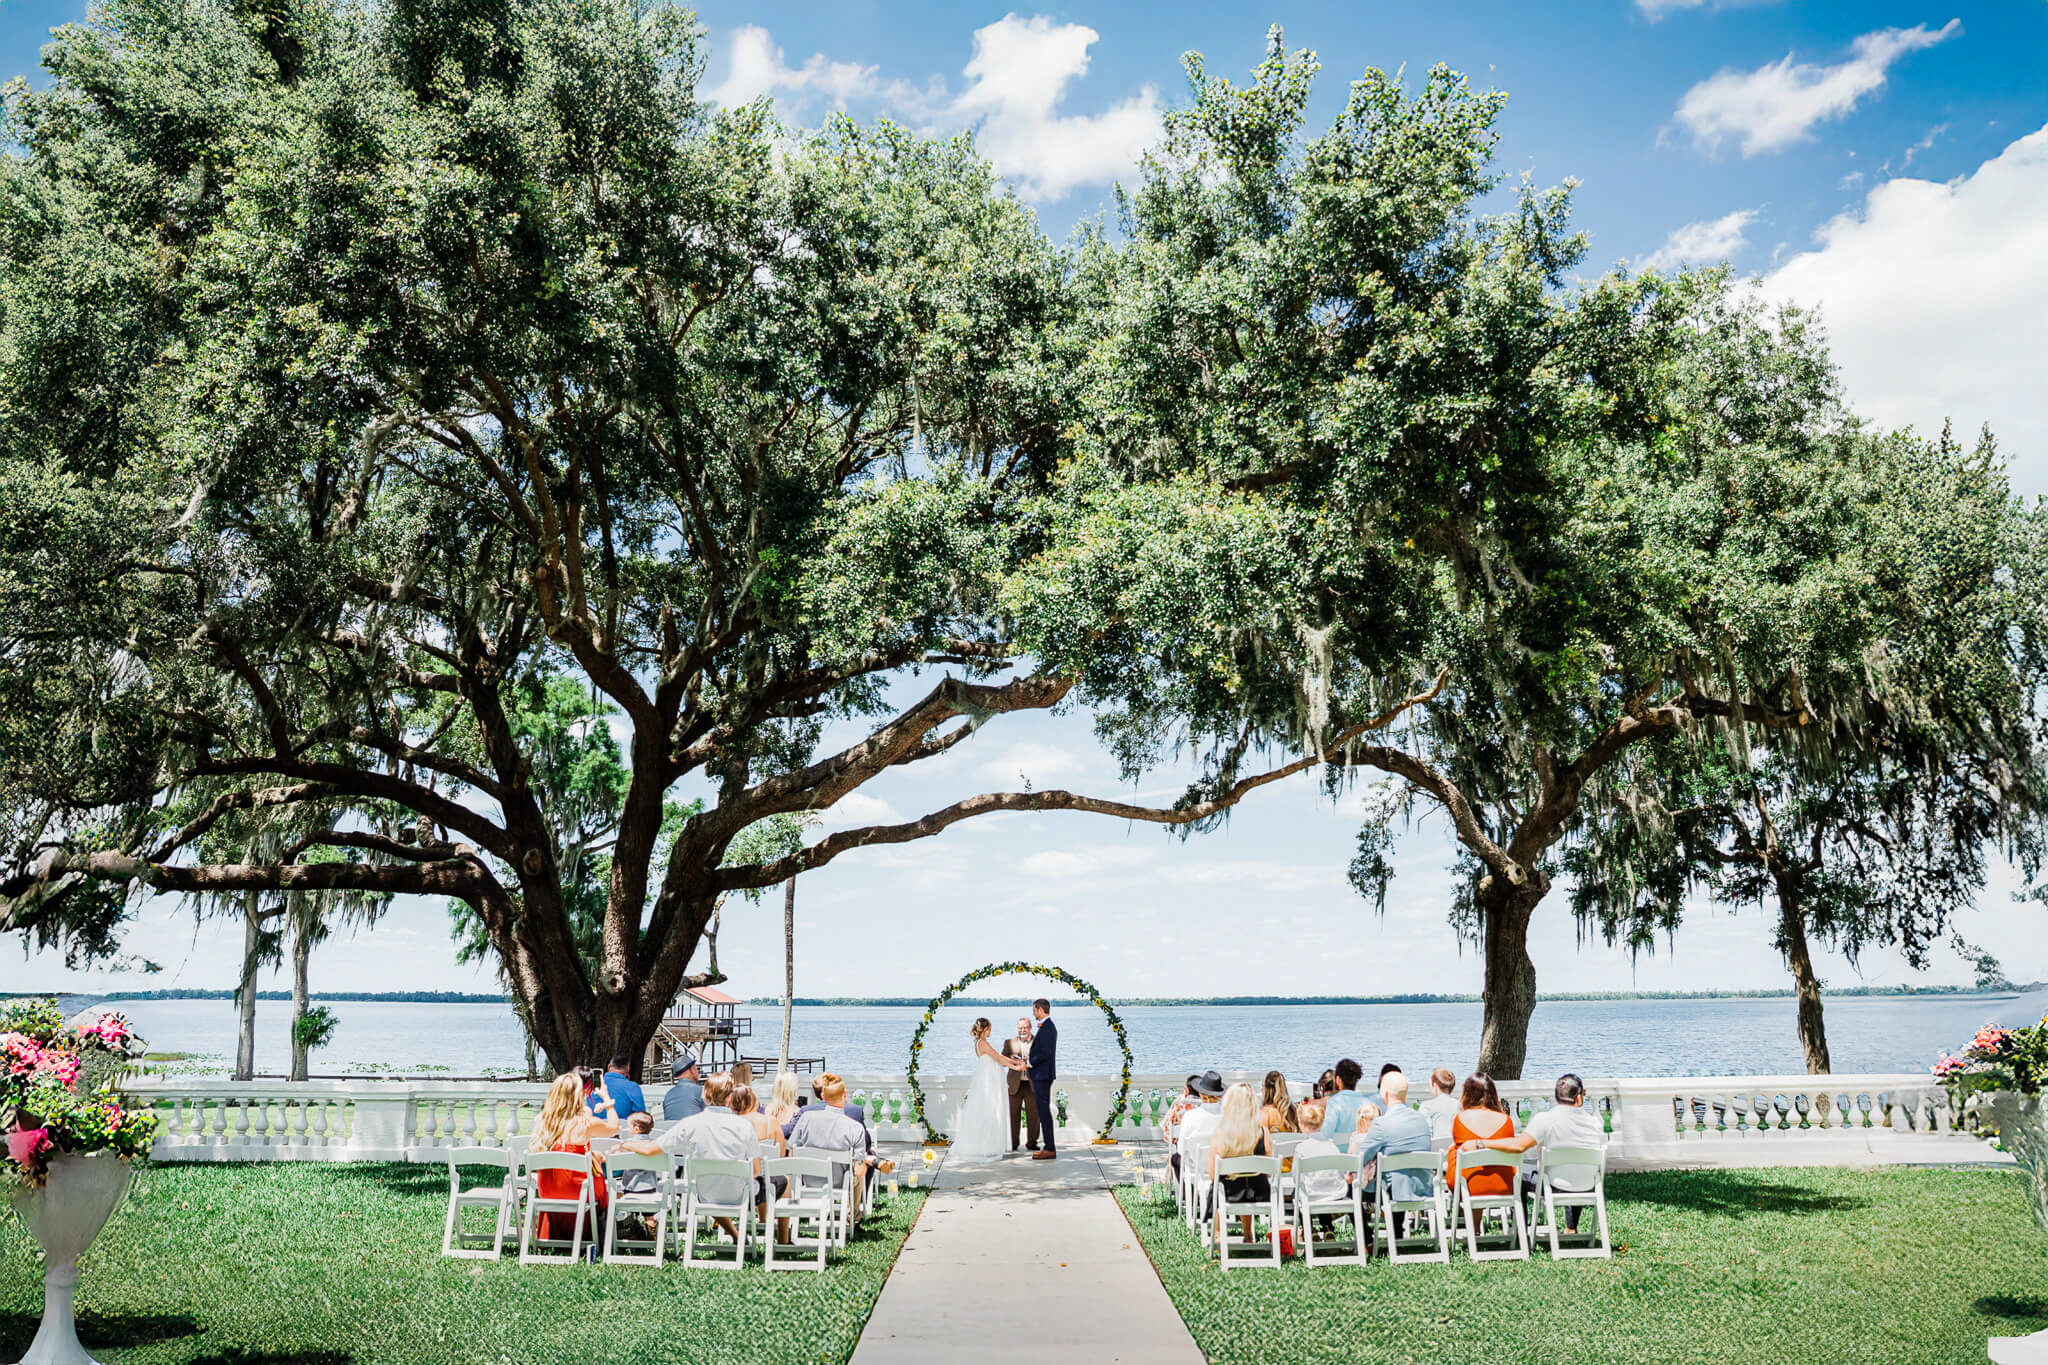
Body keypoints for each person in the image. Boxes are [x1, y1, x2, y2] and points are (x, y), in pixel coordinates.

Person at [1459, 1073, 1605, 1233]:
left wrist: (1481, 1143)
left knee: (1519, 1176)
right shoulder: (1595, 1123)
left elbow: (1519, 1146)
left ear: (1556, 1097)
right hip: (1587, 1184)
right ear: (1578, 1098)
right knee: (1575, 1168)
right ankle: (1571, 1227)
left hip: (1553, 1185)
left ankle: (1521, 1230)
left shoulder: (1546, 1119)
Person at [660, 1073, 756, 1242]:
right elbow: (755, 1170)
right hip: (737, 1194)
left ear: (704, 1095)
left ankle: (736, 1235)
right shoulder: (744, 1126)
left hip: (703, 1194)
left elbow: (655, 1147)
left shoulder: (691, 1123)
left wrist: (627, 1145)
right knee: (774, 1183)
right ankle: (762, 1236)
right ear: (731, 1096)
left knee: (714, 1185)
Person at [528, 1072, 617, 1244]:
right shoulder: (584, 1123)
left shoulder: (542, 1122)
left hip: (548, 1190)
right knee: (604, 1183)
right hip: (578, 1192)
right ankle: (600, 1234)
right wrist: (607, 1102)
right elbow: (614, 1128)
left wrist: (591, 1156)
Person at [1351, 1071, 1434, 1238]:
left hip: (1396, 1191)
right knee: (1399, 1175)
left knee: (1347, 1190)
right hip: (1424, 1187)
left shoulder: (1382, 1124)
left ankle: (1367, 1238)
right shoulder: (1421, 1121)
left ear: (1385, 1093)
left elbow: (1360, 1158)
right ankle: (1396, 1232)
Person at [788, 1077, 875, 1223]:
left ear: (823, 1096)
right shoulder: (854, 1128)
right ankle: (851, 1216)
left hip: (809, 1180)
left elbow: (792, 1152)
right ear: (845, 1094)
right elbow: (859, 1171)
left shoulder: (806, 1118)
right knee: (861, 1169)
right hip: (840, 1183)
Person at [1206, 1083, 1271, 1243]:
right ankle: (1248, 1234)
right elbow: (1269, 1171)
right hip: (1258, 1193)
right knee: (1248, 1181)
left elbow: (1212, 1173)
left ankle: (1218, 1233)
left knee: (1219, 1184)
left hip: (1228, 1195)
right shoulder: (1262, 1131)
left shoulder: (1220, 1133)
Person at [954, 1017, 1027, 1158]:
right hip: (988, 1080)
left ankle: (988, 1144)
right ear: (985, 1029)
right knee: (988, 1110)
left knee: (988, 1110)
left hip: (988, 1078)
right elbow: (998, 1058)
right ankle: (985, 1144)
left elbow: (998, 1056)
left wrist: (1015, 1061)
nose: (990, 1032)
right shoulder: (982, 1043)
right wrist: (1017, 1068)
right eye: (989, 1029)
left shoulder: (979, 1042)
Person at [732, 1083, 789, 1240]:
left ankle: (762, 1220)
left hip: (735, 1184)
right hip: (765, 1184)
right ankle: (783, 1237)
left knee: (761, 1178)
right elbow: (781, 1155)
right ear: (752, 1100)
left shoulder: (732, 1125)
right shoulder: (771, 1122)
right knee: (784, 1179)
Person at [1445, 1073, 1516, 1200]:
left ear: (1467, 1094)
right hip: (1505, 1184)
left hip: (1468, 1185)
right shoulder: (1507, 1120)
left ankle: (1466, 1215)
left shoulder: (1460, 1119)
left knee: (1453, 1151)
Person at [1170, 1070, 1226, 1184]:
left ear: (1201, 1093)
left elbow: (1181, 1150)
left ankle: (1187, 1193)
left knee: (1175, 1158)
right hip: (1222, 1168)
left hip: (1195, 1168)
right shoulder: (1228, 1116)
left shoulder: (1190, 1116)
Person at [1002, 1017, 1040, 1151]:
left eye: (1025, 1027)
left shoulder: (1039, 1041)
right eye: (1020, 1028)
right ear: (1017, 1028)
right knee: (1013, 1115)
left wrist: (1029, 1062)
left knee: (1033, 1115)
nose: (1022, 1030)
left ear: (1030, 1028)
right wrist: (1012, 1060)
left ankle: (1032, 1143)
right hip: (1014, 1084)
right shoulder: (1009, 1042)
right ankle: (1013, 1143)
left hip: (1032, 1085)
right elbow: (1001, 1060)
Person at [1027, 998, 1059, 1160]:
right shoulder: (1047, 1027)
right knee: (1043, 1111)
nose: (1033, 1013)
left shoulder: (1048, 1028)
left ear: (1040, 1010)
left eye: (1034, 1010)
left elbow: (1045, 1053)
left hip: (1042, 1076)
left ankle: (1049, 1147)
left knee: (1044, 1112)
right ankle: (1048, 1146)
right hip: (1042, 1075)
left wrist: (1029, 1061)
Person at [1318, 1058, 1367, 1141]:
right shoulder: (1367, 1103)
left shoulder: (1333, 1103)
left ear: (1338, 1080)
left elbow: (1325, 1135)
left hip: (1336, 1152)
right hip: (1359, 1152)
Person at [589, 1052, 644, 1121]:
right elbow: (640, 1117)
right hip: (622, 1129)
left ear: (609, 1067)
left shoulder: (591, 1086)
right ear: (628, 1069)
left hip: (593, 1129)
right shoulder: (632, 1087)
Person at [1419, 1067, 1460, 1141]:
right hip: (1456, 1149)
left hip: (1436, 1150)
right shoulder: (1460, 1105)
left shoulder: (1426, 1106)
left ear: (1435, 1085)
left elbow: (1425, 1135)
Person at [662, 1053, 704, 1121]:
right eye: (696, 1068)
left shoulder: (668, 1095)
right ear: (692, 1069)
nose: (697, 1071)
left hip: (671, 1129)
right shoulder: (700, 1091)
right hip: (693, 1130)